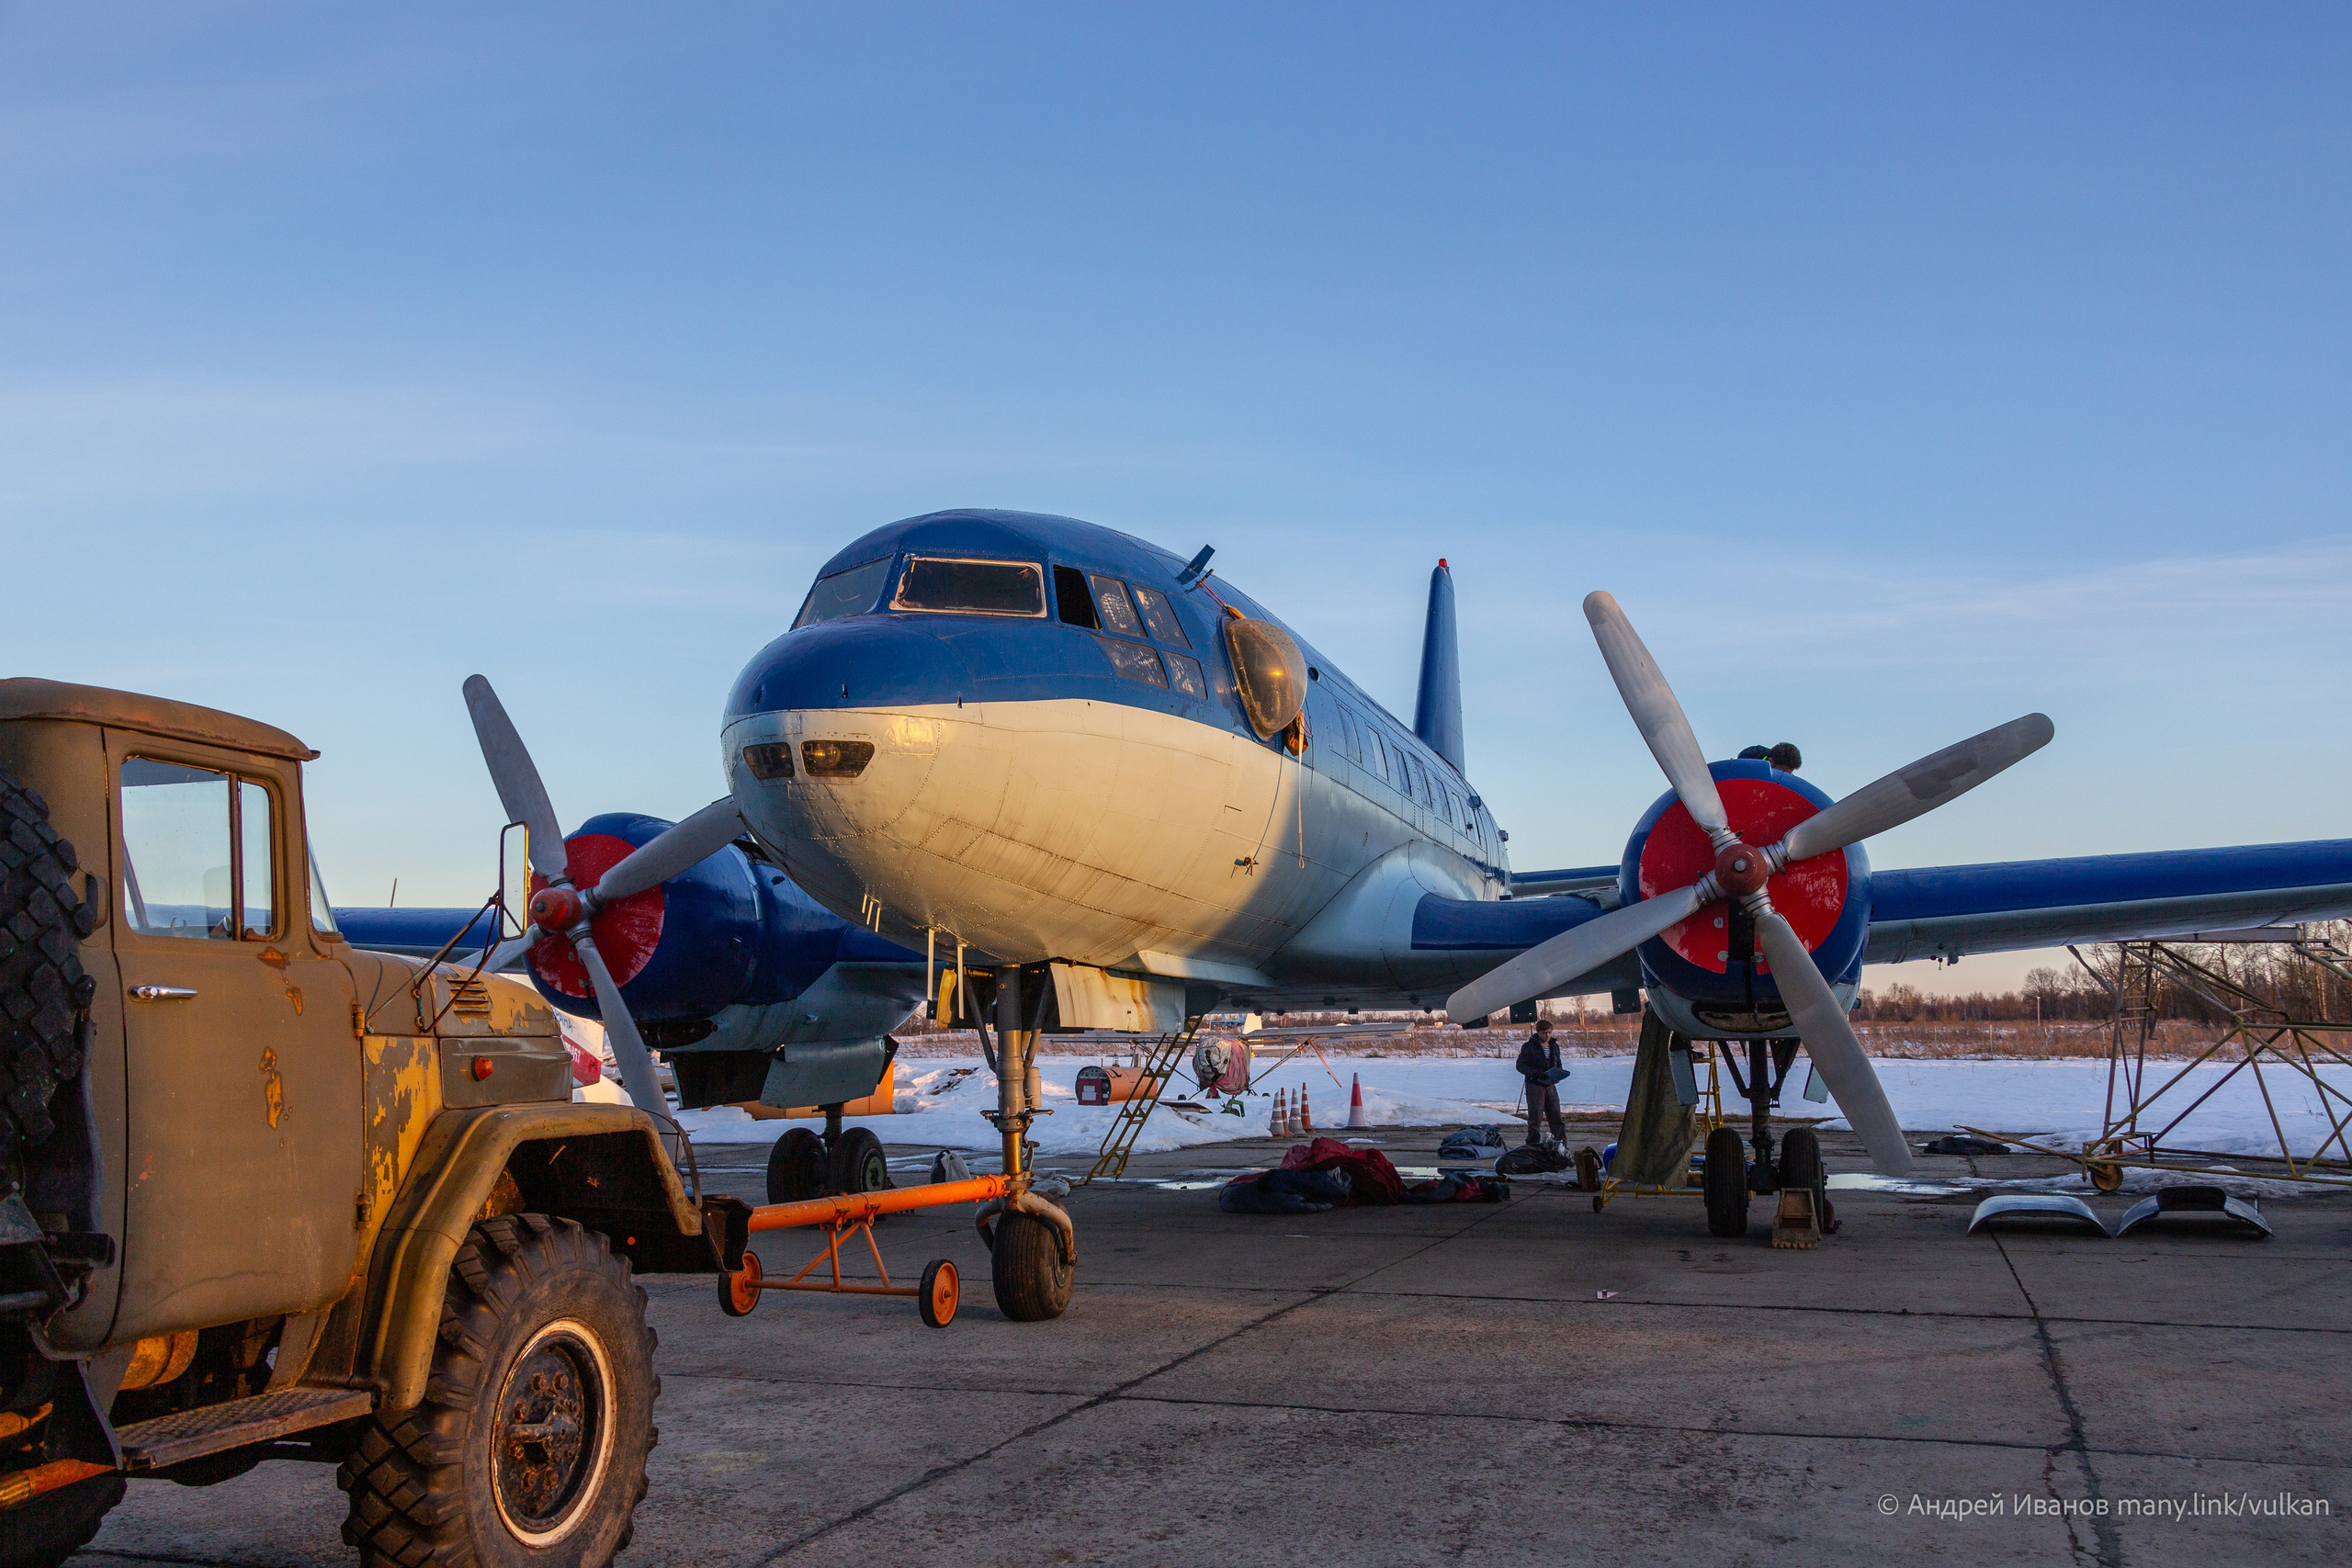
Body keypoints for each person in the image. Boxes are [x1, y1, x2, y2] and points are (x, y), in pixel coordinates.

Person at [1516, 1017, 1568, 1149]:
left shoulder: (1554, 1046)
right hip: (1535, 1085)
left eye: (1550, 1032)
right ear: (1538, 1032)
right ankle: (1532, 1146)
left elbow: (1558, 1062)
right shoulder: (1529, 1047)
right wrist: (1535, 1074)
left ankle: (1561, 1146)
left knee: (1556, 1116)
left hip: (1550, 1084)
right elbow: (1520, 1065)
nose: (1548, 1035)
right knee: (1535, 1118)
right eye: (1545, 1033)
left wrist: (1558, 1074)